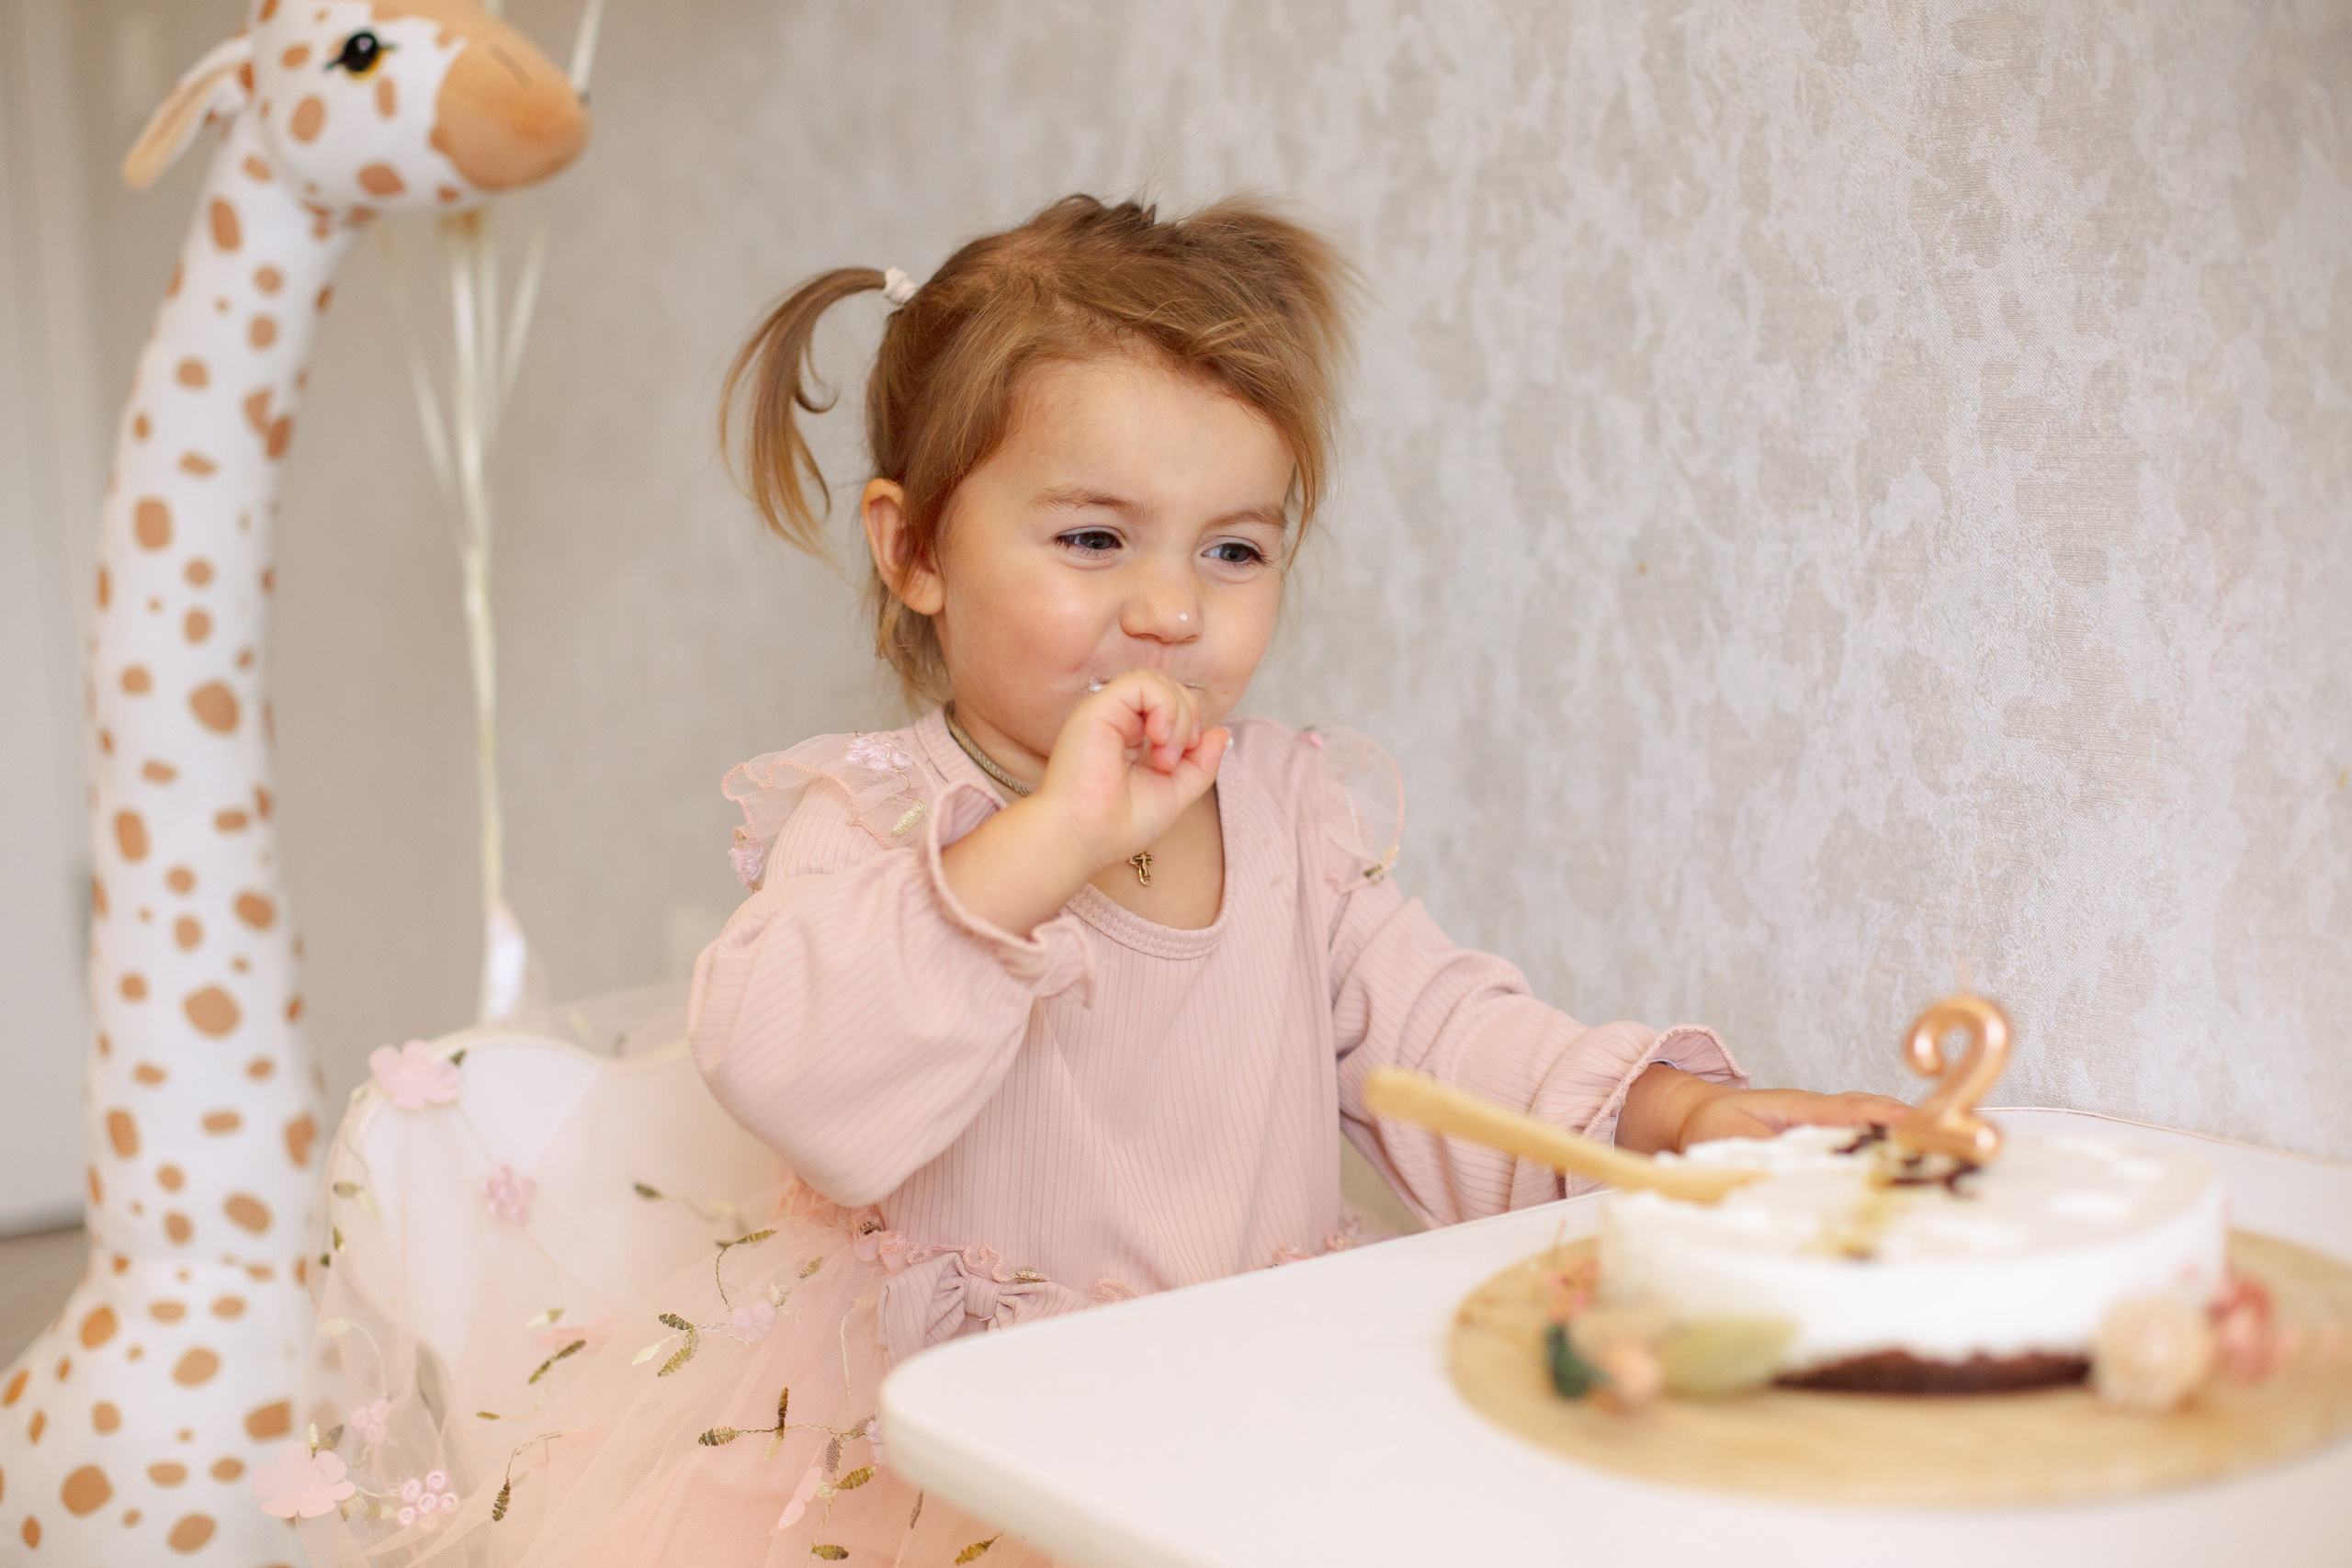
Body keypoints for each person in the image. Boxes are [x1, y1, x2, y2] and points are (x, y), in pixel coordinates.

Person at [300, 194, 1906, 1566]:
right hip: (957, 1460)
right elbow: (794, 1070)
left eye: (1233, 550)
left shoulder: (1281, 809)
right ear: (915, 551)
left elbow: (1444, 1046)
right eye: (1091, 541)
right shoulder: (874, 821)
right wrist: (1050, 843)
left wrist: (1665, 1119)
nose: (1167, 610)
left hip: (1248, 1406)